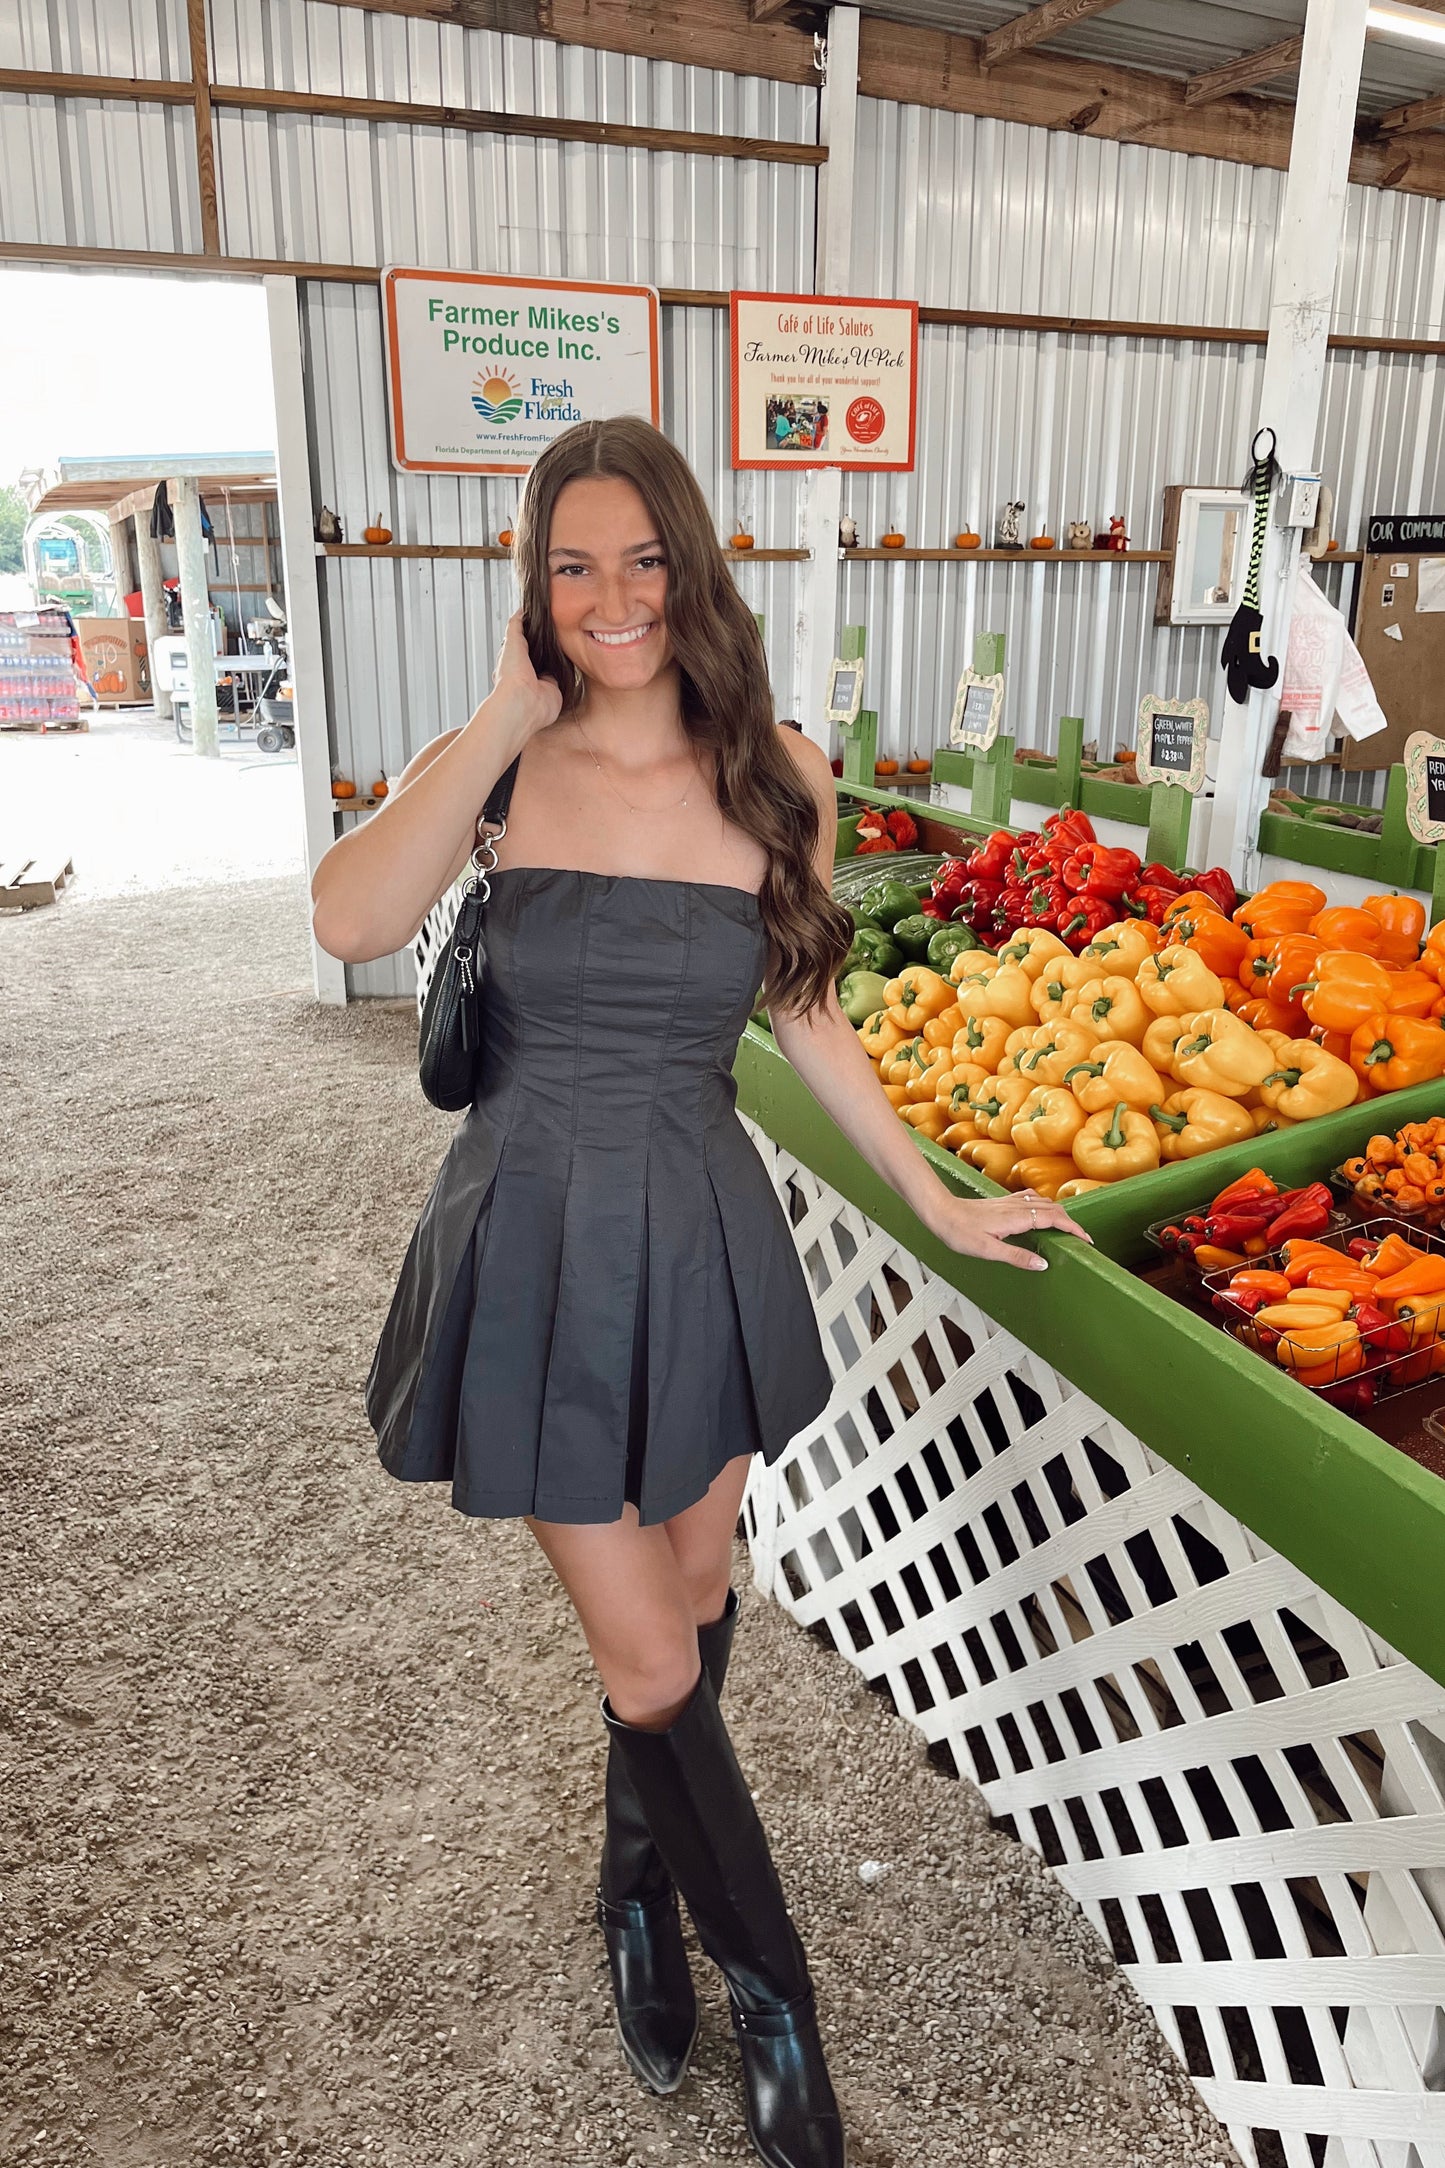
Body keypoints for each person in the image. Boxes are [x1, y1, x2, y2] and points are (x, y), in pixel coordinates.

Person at [310, 417, 1088, 2168]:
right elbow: (350, 919)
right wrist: (501, 721)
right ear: (535, 581)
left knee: (697, 1581)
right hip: (530, 1229)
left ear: (690, 568)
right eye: (571, 564)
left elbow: (807, 1006)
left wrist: (933, 1203)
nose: (609, 599)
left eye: (640, 560)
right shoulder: (499, 760)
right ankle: (780, 2000)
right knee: (650, 1649)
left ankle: (636, 1897)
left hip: (699, 1219)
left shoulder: (772, 770)